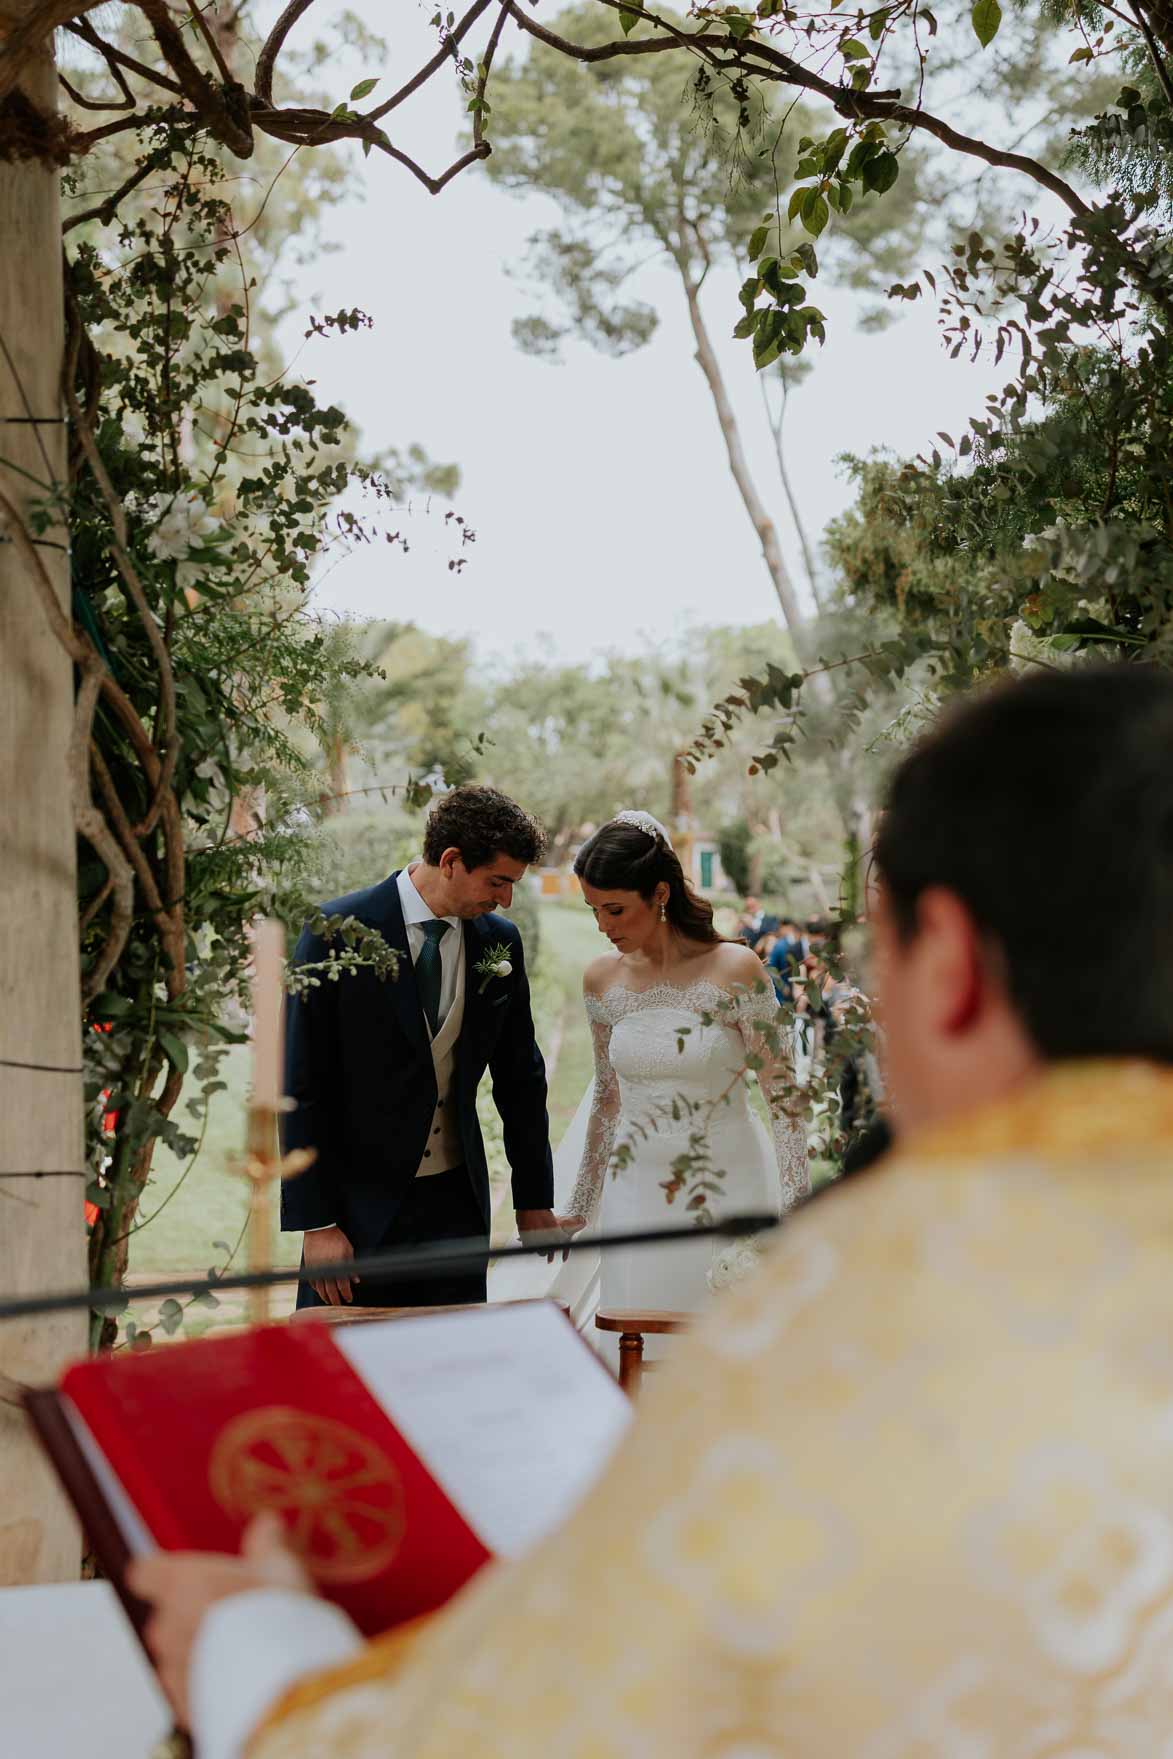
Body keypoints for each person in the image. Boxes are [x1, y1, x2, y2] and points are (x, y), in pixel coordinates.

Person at [132, 663, 1173, 1757]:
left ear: (947, 963)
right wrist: (545, 1211)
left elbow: (556, 1706)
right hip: (491, 1202)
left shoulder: (835, 1336)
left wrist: (261, 1657)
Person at [281, 784, 572, 1310]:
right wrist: (317, 1223)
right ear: (452, 860)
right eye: (498, 881)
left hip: (456, 1209)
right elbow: (301, 1085)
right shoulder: (335, 933)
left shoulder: (499, 942)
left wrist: (533, 1198)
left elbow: (521, 1078)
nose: (506, 899)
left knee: (451, 1356)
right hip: (357, 1214)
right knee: (349, 1359)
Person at [552, 811, 810, 1341]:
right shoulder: (600, 980)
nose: (603, 926)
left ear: (660, 894)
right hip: (636, 1192)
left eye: (615, 909)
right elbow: (607, 1099)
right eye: (594, 910)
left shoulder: (736, 969)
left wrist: (795, 1210)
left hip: (728, 1183)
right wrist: (578, 1208)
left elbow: (783, 1095)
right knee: (635, 1340)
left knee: (726, 1341)